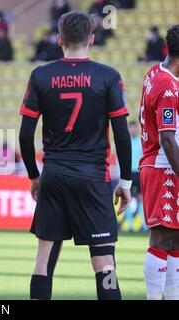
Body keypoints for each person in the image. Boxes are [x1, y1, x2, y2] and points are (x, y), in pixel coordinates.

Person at [19, 11, 132, 300]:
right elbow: (121, 135)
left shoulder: (40, 75)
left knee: (43, 261)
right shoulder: (108, 76)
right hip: (93, 178)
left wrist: (34, 177)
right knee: (105, 265)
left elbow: (24, 136)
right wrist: (126, 183)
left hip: (54, 175)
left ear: (59, 40)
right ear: (91, 39)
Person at [139, 24, 179, 300]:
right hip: (163, 166)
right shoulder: (167, 86)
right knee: (162, 238)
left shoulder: (156, 72)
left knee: (175, 240)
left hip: (163, 165)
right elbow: (167, 138)